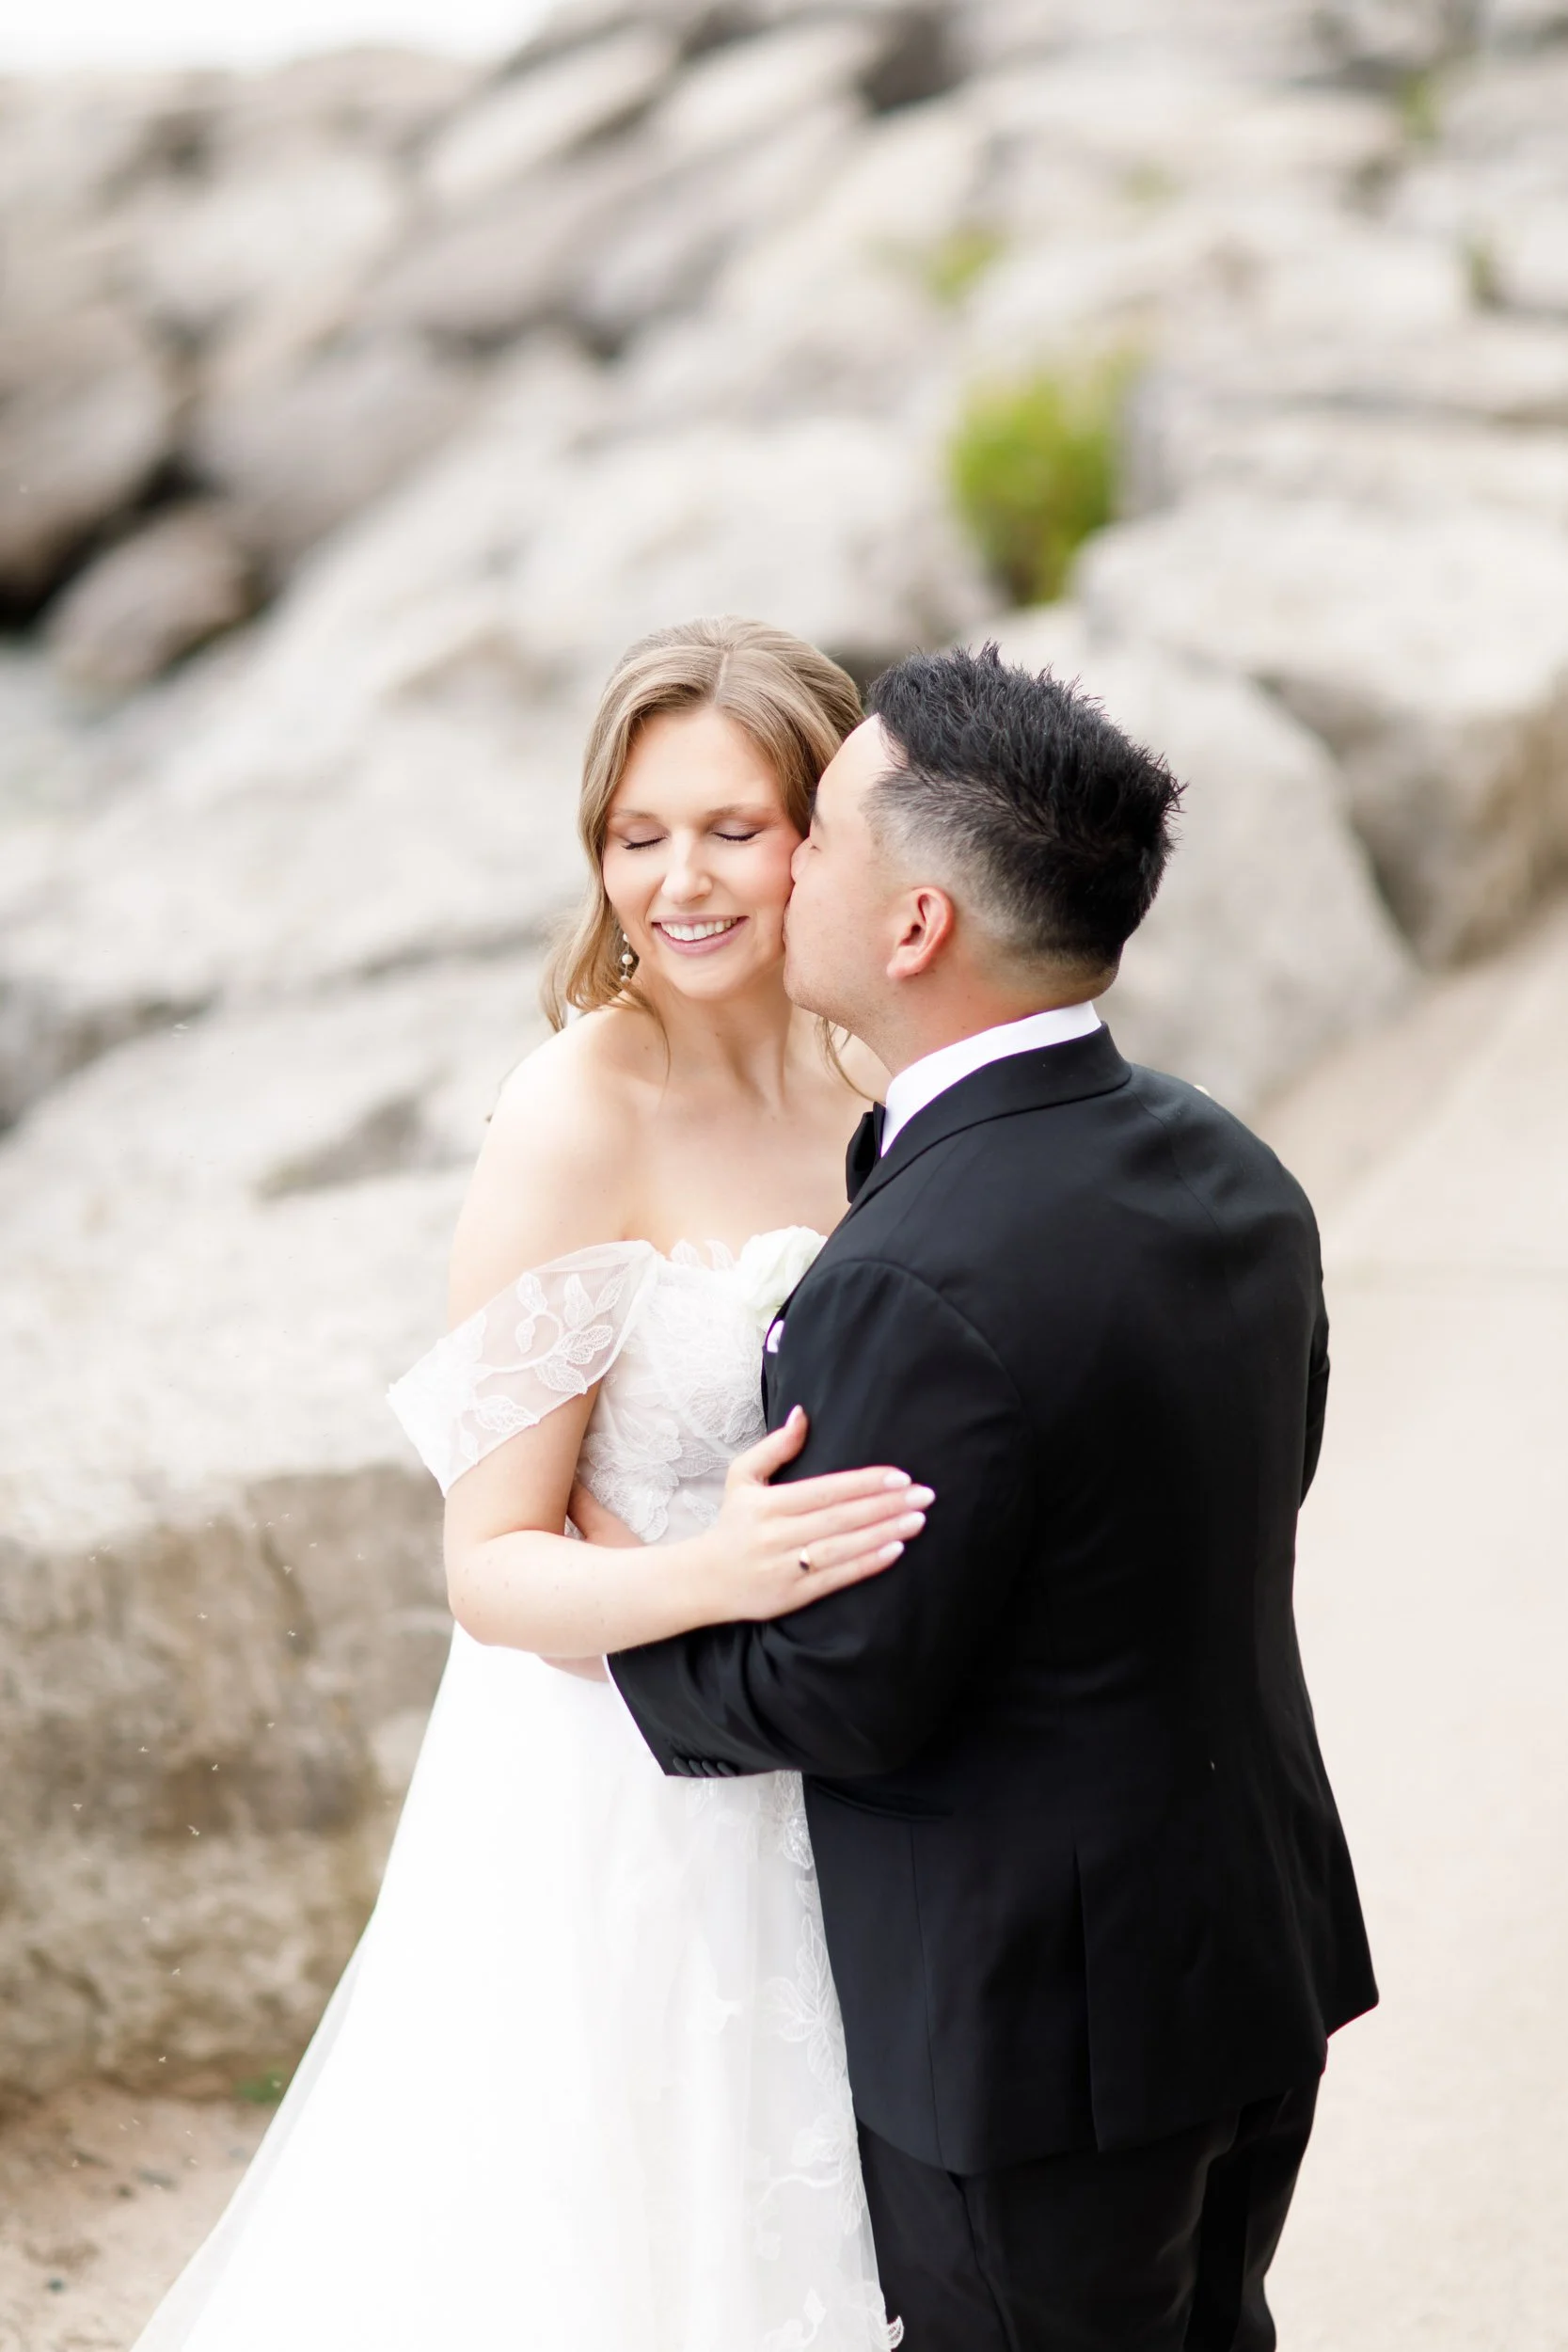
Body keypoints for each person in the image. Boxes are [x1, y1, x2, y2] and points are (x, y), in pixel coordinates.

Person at [132, 617, 915, 2352]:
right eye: (638, 836)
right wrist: (717, 1576)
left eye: (731, 828)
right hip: (618, 1788)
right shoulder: (574, 1116)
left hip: (844, 1760)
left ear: (826, 837)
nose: (680, 881)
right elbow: (487, 1564)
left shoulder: (869, 1075)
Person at [600, 644, 1378, 2350]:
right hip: (1244, 1956)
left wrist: (628, 1611)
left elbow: (846, 1687)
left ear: (913, 930)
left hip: (1034, 2041)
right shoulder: (1227, 1171)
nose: (777, 862)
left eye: (816, 833)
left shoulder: (913, 1278)